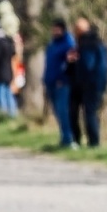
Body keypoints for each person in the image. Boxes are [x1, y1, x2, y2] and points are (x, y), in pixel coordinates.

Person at [70, 18, 107, 147]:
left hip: (89, 84)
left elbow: (87, 65)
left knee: (89, 114)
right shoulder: (98, 41)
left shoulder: (86, 43)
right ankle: (92, 141)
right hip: (99, 83)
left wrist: (75, 61)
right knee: (91, 113)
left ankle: (93, 143)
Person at [43, 19, 76, 147]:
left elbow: (70, 63)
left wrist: (63, 77)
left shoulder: (68, 43)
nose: (55, 31)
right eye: (53, 29)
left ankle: (69, 138)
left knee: (63, 111)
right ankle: (63, 137)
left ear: (62, 30)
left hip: (62, 83)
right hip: (50, 81)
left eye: (57, 29)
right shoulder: (52, 44)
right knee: (57, 112)